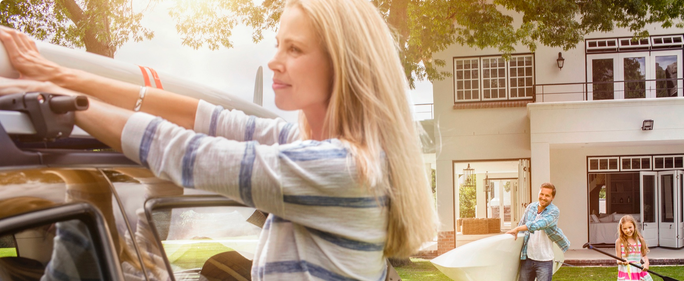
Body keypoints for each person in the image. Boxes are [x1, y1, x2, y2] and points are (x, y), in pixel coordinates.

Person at [0, 0, 438, 279]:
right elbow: (207, 118)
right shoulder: (311, 145)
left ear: (343, 65)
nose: (273, 61)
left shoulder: (340, 169)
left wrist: (65, 103)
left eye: (294, 49)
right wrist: (58, 75)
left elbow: (188, 154)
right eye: (276, 44)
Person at [506, 182, 570, 281]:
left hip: (544, 260)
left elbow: (538, 225)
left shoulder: (554, 211)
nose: (543, 197)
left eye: (547, 195)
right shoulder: (531, 207)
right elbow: (522, 224)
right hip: (527, 257)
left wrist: (518, 229)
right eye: (541, 194)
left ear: (552, 198)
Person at [616, 215, 653, 281]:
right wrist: (622, 262)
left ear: (634, 226)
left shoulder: (640, 240)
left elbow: (644, 255)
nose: (628, 230)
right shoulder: (619, 241)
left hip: (638, 270)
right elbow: (618, 260)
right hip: (626, 271)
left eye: (630, 227)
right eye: (625, 228)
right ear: (621, 229)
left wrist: (646, 263)